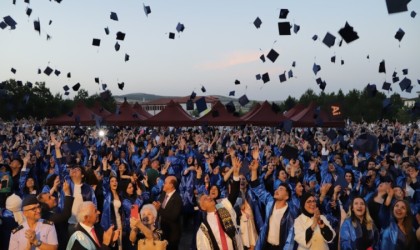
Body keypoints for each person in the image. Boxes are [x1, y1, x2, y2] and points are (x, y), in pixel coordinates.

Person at [248, 150, 296, 250]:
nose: (277, 190)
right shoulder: (270, 202)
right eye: (277, 189)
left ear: (287, 196)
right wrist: (253, 171)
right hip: (266, 246)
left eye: (281, 189)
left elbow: (290, 239)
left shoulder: (291, 212)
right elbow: (257, 188)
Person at [196, 155, 243, 250]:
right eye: (205, 199)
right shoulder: (203, 230)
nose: (209, 197)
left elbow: (233, 194)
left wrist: (236, 173)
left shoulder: (223, 205)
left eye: (208, 196)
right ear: (203, 207)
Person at [37, 179, 74, 250]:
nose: (54, 198)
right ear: (44, 205)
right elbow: (66, 215)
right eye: (50, 198)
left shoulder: (53, 211)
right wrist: (67, 193)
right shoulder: (46, 216)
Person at [153, 175, 182, 250]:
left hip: (172, 235)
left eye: (165, 183)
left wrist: (159, 209)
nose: (163, 184)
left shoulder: (177, 199)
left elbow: (173, 216)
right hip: (162, 231)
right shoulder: (163, 194)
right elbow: (158, 206)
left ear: (171, 185)